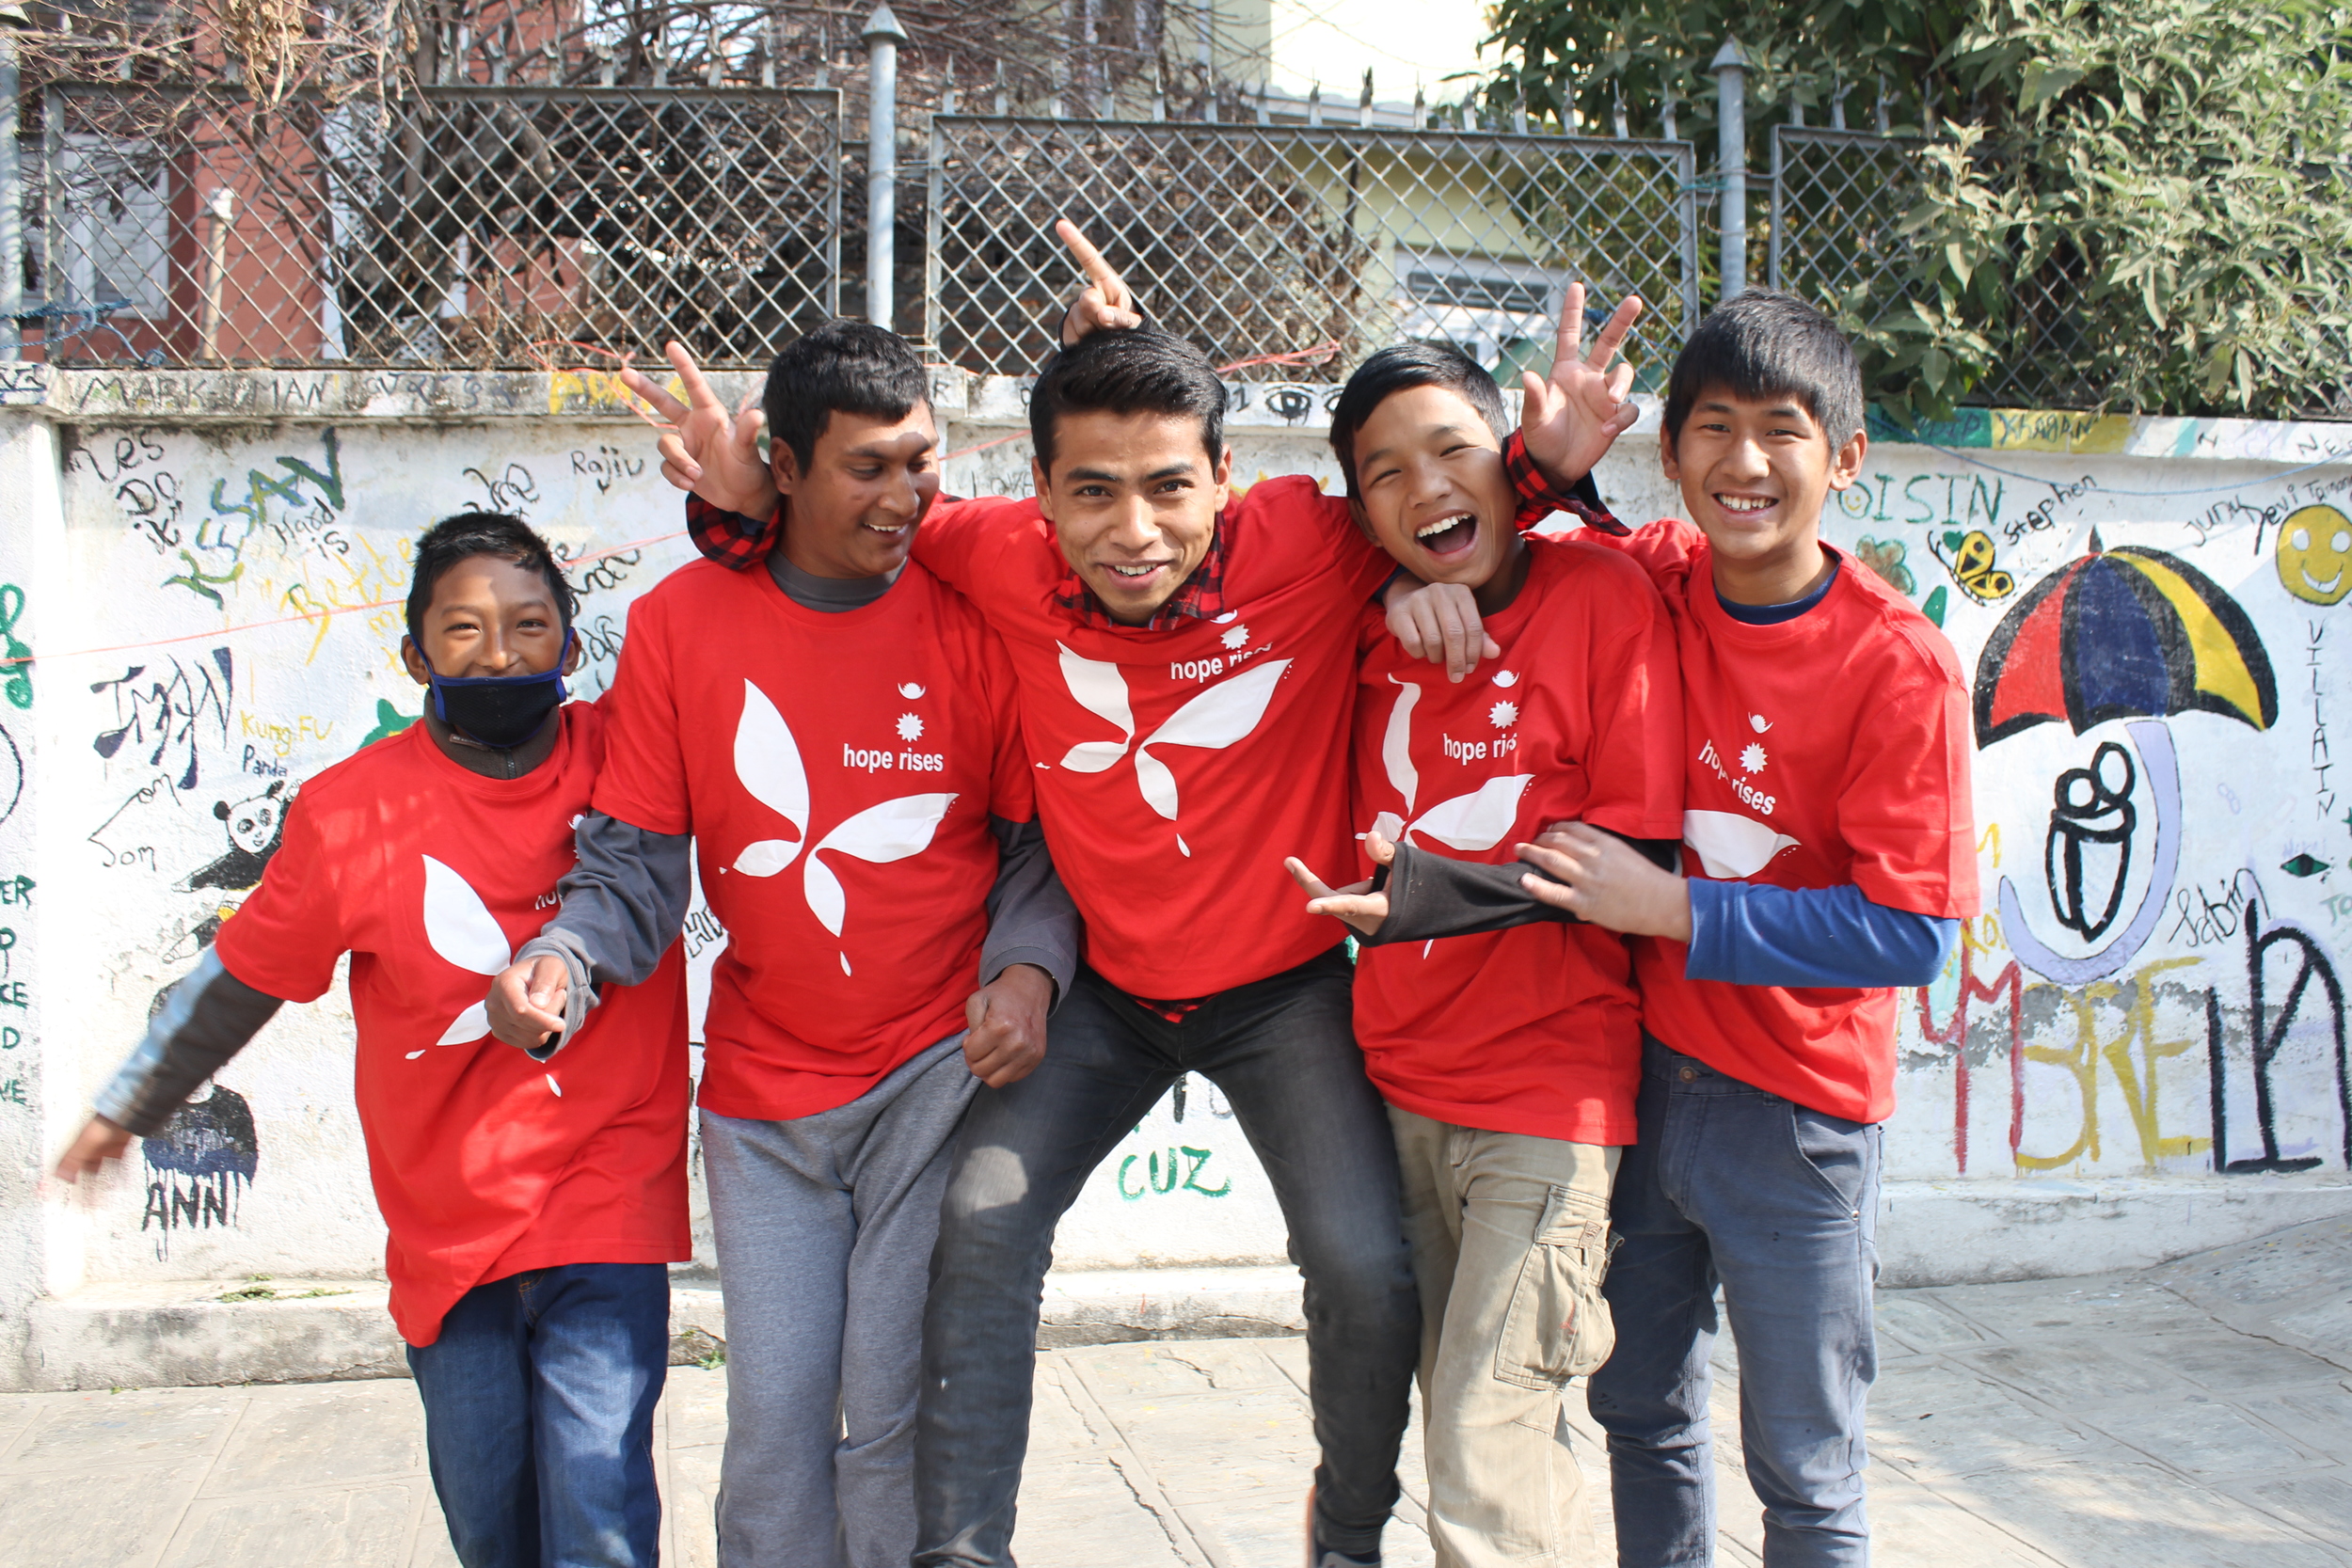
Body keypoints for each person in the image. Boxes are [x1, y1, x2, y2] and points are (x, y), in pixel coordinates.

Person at [654, 235, 1648, 1568]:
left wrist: (1552, 465)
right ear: (1040, 496)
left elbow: (1434, 499)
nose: (1136, 530)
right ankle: (961, 1548)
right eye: (1095, 493)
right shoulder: (989, 553)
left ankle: (1345, 1530)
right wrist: (737, 513)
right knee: (983, 1219)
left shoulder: (1306, 536)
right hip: (1108, 996)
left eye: (1173, 487)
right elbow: (845, 523)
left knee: (1364, 1267)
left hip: (1283, 992)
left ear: (1228, 481)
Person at [1385, 290, 1978, 1566]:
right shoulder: (1658, 573)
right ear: (1673, 452)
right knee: (1638, 1406)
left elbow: (1914, 932)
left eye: (1783, 431)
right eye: (1714, 427)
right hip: (1648, 1082)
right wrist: (1422, 576)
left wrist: (1677, 909)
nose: (1745, 462)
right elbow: (1486, 540)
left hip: (1800, 1114)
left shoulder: (1897, 663)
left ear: (1847, 458)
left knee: (1805, 1463)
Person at [486, 320, 1077, 1568]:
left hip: (938, 1077)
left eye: (922, 460)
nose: (908, 494)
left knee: (893, 1418)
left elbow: (1034, 847)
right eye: (868, 466)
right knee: (774, 1428)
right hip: (764, 1104)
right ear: (786, 468)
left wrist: (1027, 973)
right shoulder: (682, 624)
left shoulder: (978, 615)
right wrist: (569, 957)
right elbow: (634, 861)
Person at [53, 513, 691, 1568]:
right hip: (447, 1219)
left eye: (531, 626)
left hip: (603, 1187)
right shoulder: (349, 812)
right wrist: (132, 1100)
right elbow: (243, 976)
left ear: (572, 645)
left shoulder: (627, 757)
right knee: (490, 1520)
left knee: (601, 1506)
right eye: (465, 629)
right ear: (413, 655)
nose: (501, 654)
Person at [1279, 340, 1683, 1568]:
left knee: (1486, 1450)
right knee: (1453, 1432)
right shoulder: (1358, 628)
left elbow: (1624, 853)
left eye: (1453, 449)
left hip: (1548, 1101)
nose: (1423, 487)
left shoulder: (1606, 599)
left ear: (1509, 458)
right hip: (1392, 1088)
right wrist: (1396, 601)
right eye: (1382, 472)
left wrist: (1422, 897)